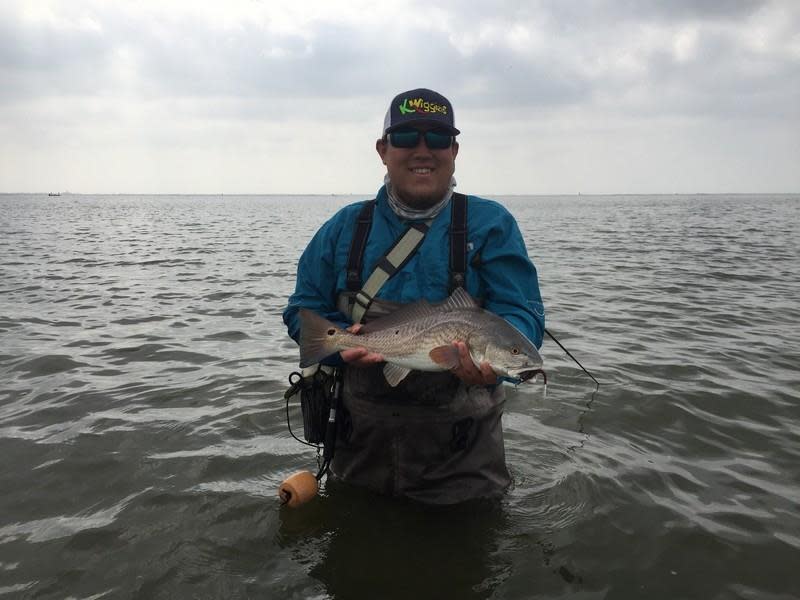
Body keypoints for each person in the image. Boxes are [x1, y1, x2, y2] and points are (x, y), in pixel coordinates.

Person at [283, 88, 544, 504]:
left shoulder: (491, 225)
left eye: (437, 139)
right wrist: (337, 349)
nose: (423, 150)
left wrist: (502, 358)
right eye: (406, 138)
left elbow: (519, 311)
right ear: (383, 150)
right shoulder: (343, 228)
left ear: (455, 150)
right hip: (358, 457)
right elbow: (304, 308)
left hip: (466, 468)